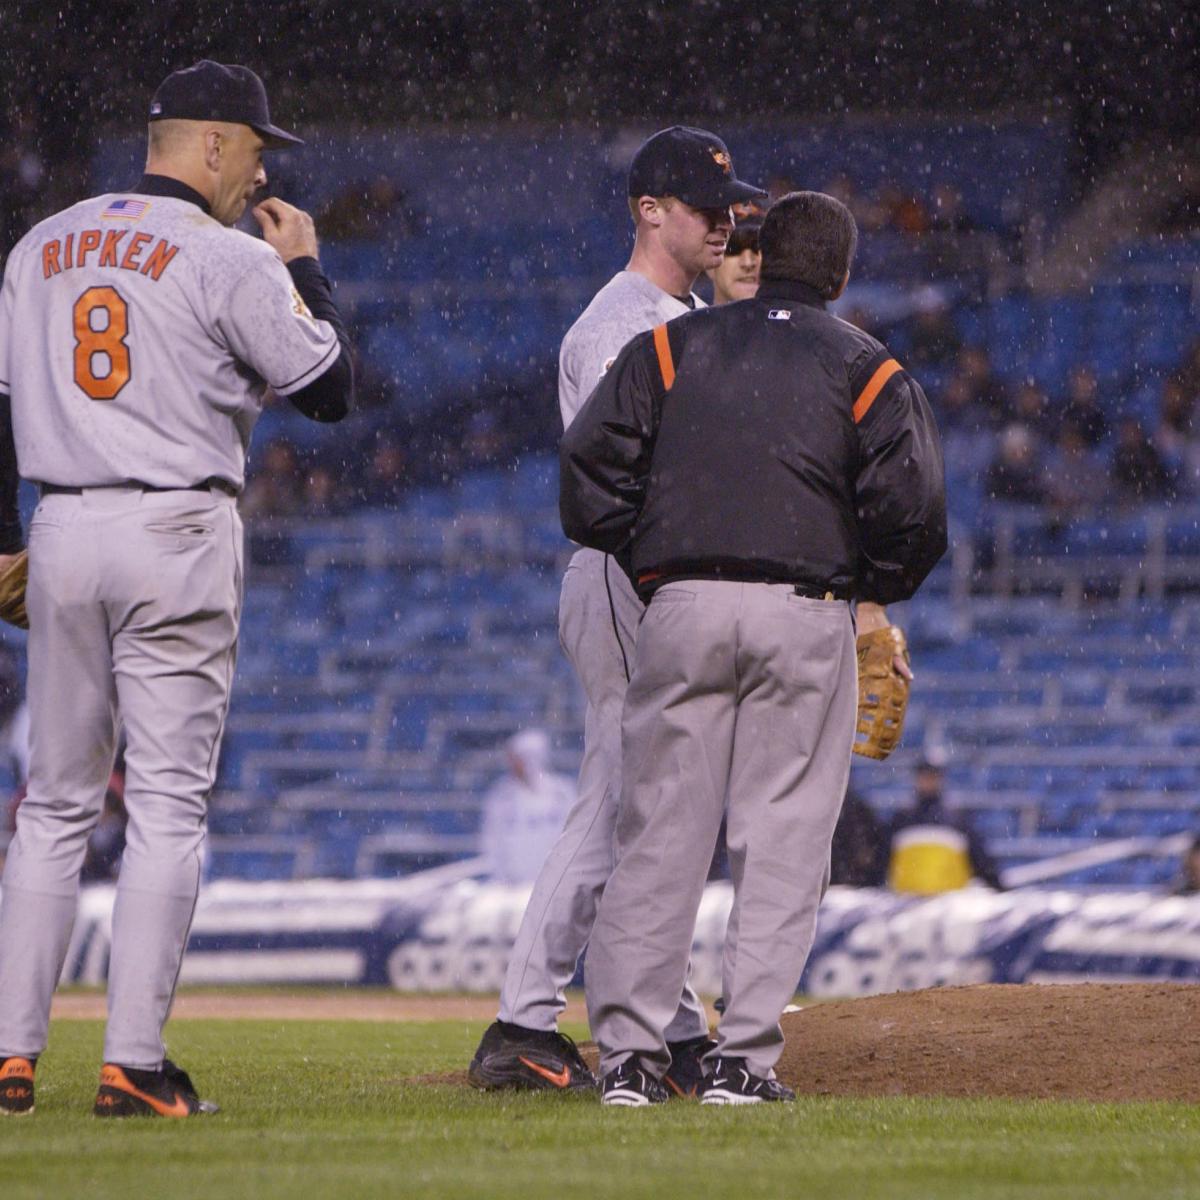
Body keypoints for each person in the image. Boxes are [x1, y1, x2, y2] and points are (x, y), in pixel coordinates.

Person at [0, 60, 354, 1120]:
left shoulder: (39, 244)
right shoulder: (227, 253)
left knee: (53, 802)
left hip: (59, 521)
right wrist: (306, 269)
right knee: (163, 802)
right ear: (208, 145)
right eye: (254, 147)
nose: (260, 170)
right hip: (175, 521)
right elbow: (331, 390)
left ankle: (10, 1056)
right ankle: (133, 1063)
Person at [560, 190, 946, 1105]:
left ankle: (629, 1061)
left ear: (759, 256)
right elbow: (916, 514)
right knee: (780, 840)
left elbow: (585, 472)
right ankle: (740, 1062)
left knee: (658, 834)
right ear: (843, 274)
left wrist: (652, 556)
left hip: (682, 606)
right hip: (803, 607)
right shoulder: (868, 365)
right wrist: (867, 587)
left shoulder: (672, 346)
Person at [468, 127, 765, 1097]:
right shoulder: (620, 326)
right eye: (703, 208)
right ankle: (521, 1022)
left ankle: (672, 1027)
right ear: (648, 209)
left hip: (658, 574)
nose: (724, 223)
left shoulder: (676, 313)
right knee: (617, 799)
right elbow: (616, 478)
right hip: (626, 570)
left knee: (662, 812)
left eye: (729, 209)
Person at [887, 755, 1004, 894]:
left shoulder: (957, 819)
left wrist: (998, 887)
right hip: (907, 903)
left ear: (941, 779)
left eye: (933, 776)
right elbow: (882, 859)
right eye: (925, 775)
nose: (929, 780)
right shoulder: (901, 819)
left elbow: (981, 860)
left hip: (948, 906)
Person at [478, 730, 575, 886]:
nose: (513, 765)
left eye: (517, 759)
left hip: (554, 884)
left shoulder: (562, 793)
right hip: (513, 887)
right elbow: (491, 842)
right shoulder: (501, 797)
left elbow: (573, 836)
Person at [705, 201, 763, 305]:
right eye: (734, 248)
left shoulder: (798, 320)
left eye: (758, 247)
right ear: (710, 265)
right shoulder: (678, 319)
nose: (748, 263)